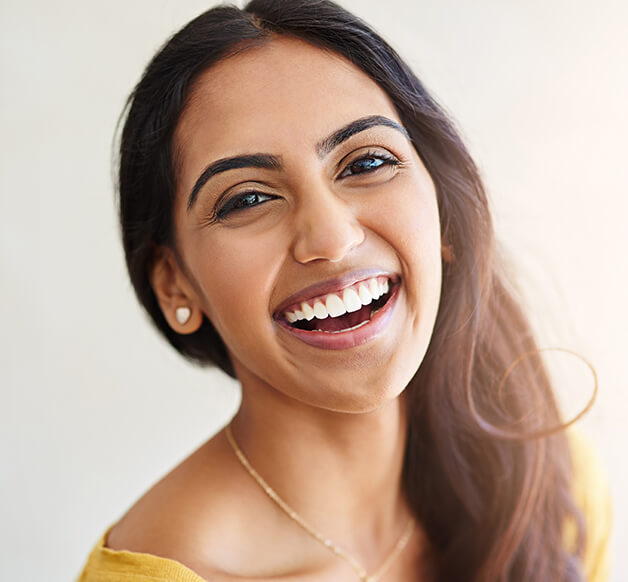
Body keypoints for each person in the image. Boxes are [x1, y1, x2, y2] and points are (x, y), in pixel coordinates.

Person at [77, 1, 611, 580]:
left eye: (367, 162)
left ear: (444, 217)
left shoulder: (551, 485)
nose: (330, 237)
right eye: (248, 199)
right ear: (174, 283)